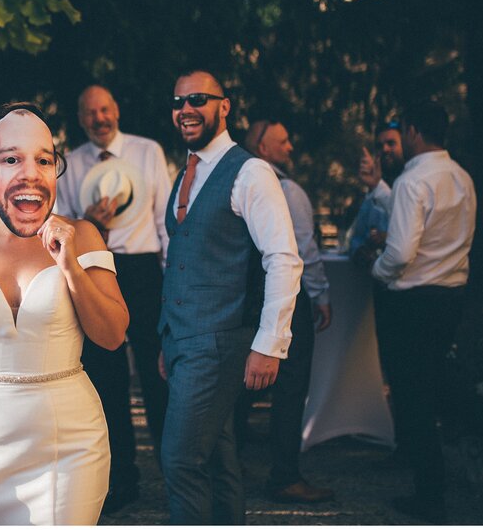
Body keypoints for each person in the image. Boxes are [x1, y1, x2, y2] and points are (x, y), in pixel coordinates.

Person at [0, 102, 129, 524]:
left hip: (70, 441)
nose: (30, 173)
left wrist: (69, 263)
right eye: (11, 159)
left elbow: (111, 337)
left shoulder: (84, 236)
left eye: (43, 159)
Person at [158, 71, 302, 524]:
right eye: (179, 101)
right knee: (218, 459)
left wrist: (268, 344)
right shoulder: (185, 172)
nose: (186, 109)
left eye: (198, 99)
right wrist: (169, 341)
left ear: (225, 106)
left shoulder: (251, 171)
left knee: (180, 462)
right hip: (183, 342)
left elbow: (283, 259)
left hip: (219, 343)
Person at [55, 84, 171, 513]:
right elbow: (64, 222)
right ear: (82, 118)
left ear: (116, 110)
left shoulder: (148, 151)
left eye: (105, 109)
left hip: (142, 270)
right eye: (90, 113)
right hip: (94, 270)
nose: (99, 118)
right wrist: (88, 224)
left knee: (157, 375)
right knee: (107, 382)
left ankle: (175, 472)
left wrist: (168, 281)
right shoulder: (73, 163)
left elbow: (164, 221)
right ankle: (121, 479)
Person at [370, 102, 476, 523]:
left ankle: (430, 494)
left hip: (412, 300)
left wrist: (377, 271)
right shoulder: (462, 177)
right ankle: (425, 462)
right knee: (429, 383)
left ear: (414, 131)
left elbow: (398, 253)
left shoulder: (413, 180)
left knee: (412, 393)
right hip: (451, 296)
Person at [244, 119, 334, 503]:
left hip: (245, 301)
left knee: (241, 386)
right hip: (287, 299)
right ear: (263, 148)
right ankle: (285, 475)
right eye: (283, 142)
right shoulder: (288, 190)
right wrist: (322, 294)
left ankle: (227, 466)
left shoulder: (238, 186)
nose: (290, 148)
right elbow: (301, 252)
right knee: (291, 389)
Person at [350, 121, 405, 268]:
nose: (385, 149)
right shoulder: (373, 192)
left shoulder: (413, 184)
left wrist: (389, 239)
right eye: (380, 146)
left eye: (391, 143)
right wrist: (363, 253)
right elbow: (355, 240)